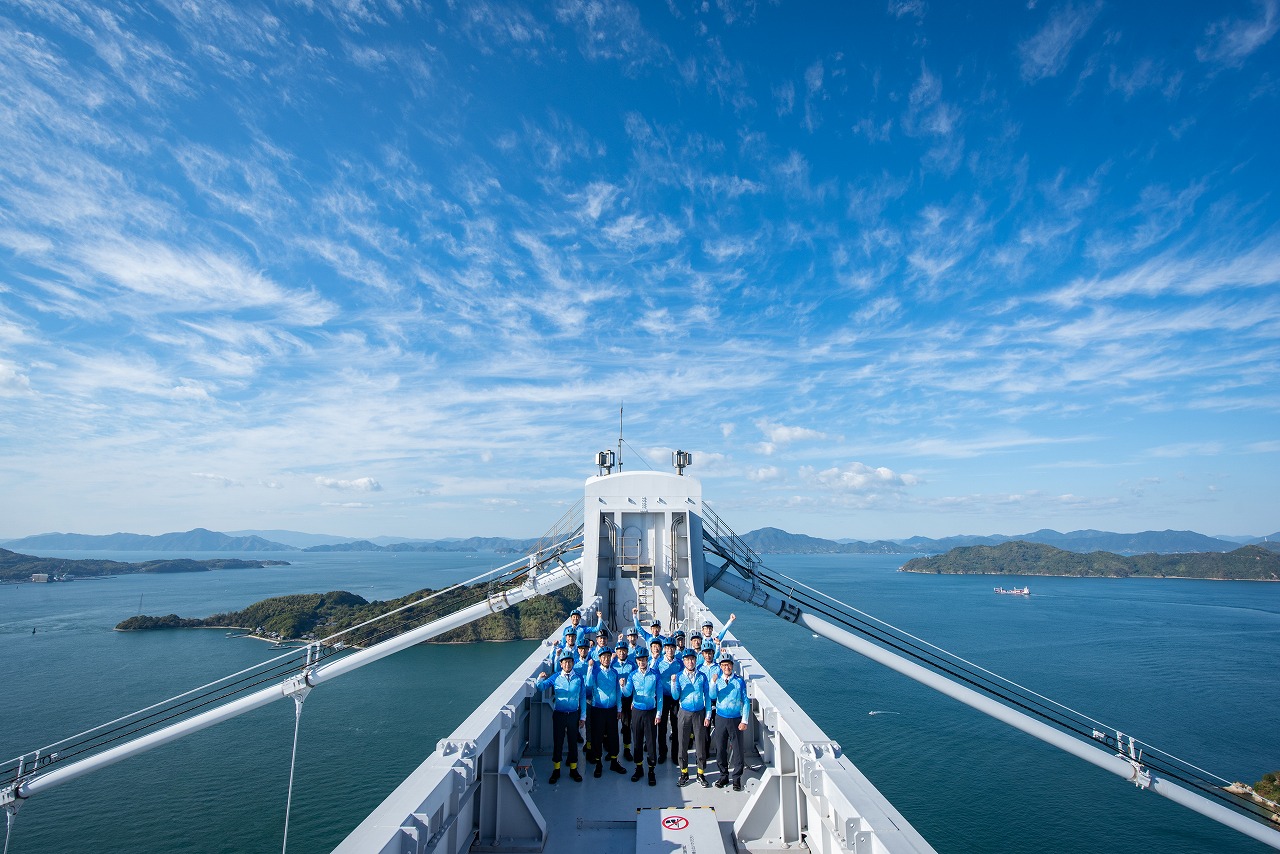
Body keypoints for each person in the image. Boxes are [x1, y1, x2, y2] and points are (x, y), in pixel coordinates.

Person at [535, 650, 586, 783]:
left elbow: (582, 697)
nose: (568, 664)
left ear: (573, 663)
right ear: (561, 664)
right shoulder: (556, 677)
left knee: (573, 742)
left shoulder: (579, 678)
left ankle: (573, 770)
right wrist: (540, 678)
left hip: (574, 714)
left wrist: (583, 716)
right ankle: (556, 770)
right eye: (565, 662)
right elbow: (541, 687)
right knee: (558, 741)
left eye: (570, 662)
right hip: (559, 714)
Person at [671, 648, 712, 787]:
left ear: (696, 660)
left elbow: (707, 696)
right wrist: (673, 683)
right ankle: (684, 773)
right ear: (684, 661)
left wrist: (708, 715)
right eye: (687, 659)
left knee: (700, 744)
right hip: (684, 712)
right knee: (682, 743)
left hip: (699, 713)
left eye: (692, 659)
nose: (690, 661)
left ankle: (701, 773)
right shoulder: (679, 676)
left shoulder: (702, 676)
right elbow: (675, 696)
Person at [620, 647, 660, 786]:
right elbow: (627, 693)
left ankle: (651, 770)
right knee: (637, 741)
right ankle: (638, 768)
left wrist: (659, 713)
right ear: (636, 661)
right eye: (639, 660)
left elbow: (659, 695)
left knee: (650, 742)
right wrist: (623, 686)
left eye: (644, 659)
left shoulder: (655, 674)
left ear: (647, 660)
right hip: (637, 711)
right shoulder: (632, 675)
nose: (642, 662)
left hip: (650, 711)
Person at [710, 651, 750, 791]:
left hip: (735, 719)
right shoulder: (718, 680)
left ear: (732, 666)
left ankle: (737, 778)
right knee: (720, 748)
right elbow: (712, 696)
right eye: (724, 665)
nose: (726, 667)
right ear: (720, 667)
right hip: (720, 718)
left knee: (738, 749)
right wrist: (713, 682)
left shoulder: (739, 681)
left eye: (729, 665)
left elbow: (745, 701)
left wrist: (744, 720)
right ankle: (723, 775)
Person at [584, 646, 628, 776]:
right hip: (598, 709)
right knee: (597, 736)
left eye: (608, 657)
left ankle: (614, 761)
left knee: (613, 736)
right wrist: (589, 668)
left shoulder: (614, 672)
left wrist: (619, 708)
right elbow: (588, 686)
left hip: (612, 709)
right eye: (603, 657)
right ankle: (598, 763)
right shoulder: (595, 672)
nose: (606, 659)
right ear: (599, 658)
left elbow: (618, 691)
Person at [655, 637, 681, 765]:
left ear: (675, 649)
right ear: (664, 649)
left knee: (676, 726)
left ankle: (675, 754)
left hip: (675, 698)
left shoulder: (679, 663)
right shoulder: (658, 663)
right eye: (667, 648)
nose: (670, 650)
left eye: (672, 648)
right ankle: (662, 752)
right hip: (663, 697)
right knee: (662, 725)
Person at [613, 639, 635, 761]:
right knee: (612, 726)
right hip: (615, 699)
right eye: (619, 651)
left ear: (627, 652)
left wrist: (633, 700)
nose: (622, 653)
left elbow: (636, 684)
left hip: (627, 699)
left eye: (624, 651)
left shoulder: (632, 665)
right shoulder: (612, 665)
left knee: (626, 725)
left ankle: (627, 749)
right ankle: (613, 750)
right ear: (616, 652)